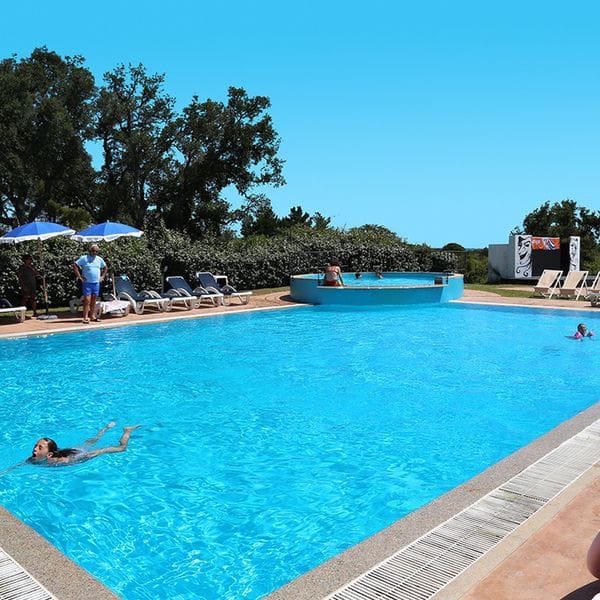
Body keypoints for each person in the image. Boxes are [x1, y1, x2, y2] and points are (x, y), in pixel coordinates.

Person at [29, 422, 140, 465]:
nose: (35, 448)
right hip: (72, 451)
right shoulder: (32, 459)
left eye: (40, 447)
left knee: (121, 448)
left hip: (80, 456)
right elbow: (23, 464)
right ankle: (106, 428)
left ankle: (127, 431)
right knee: (92, 440)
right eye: (35, 446)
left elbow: (69, 461)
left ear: (49, 454)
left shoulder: (53, 462)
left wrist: (84, 456)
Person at [73, 244, 108, 324]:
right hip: (87, 283)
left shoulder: (99, 259)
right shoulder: (84, 258)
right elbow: (75, 265)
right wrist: (80, 276)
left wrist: (102, 277)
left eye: (96, 251)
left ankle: (92, 316)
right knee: (87, 300)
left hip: (96, 283)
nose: (95, 252)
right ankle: (85, 317)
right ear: (90, 251)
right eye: (93, 251)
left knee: (94, 300)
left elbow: (105, 268)